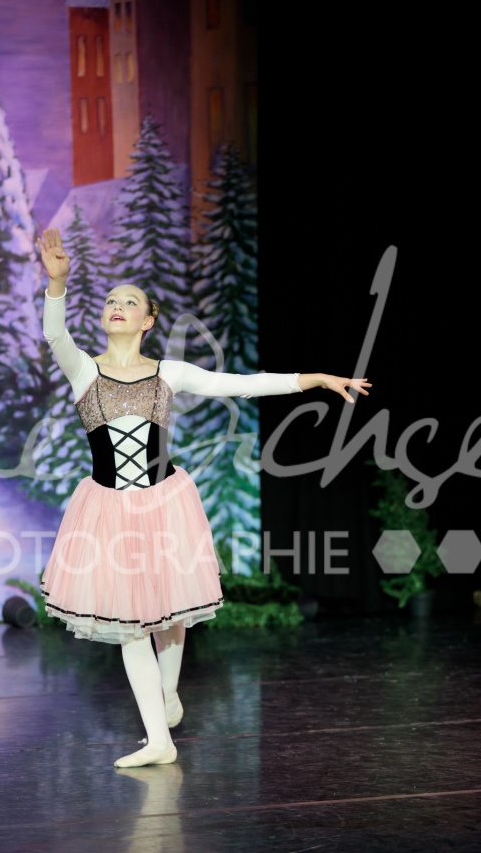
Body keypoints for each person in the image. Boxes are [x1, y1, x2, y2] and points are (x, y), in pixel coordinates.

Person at [36, 227, 372, 769]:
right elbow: (55, 334)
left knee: (168, 606)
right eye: (110, 300)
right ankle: (159, 740)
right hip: (108, 508)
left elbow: (241, 383)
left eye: (130, 301)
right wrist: (58, 283)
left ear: (148, 320)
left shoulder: (169, 373)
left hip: (164, 501)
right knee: (130, 625)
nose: (117, 305)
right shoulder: (84, 370)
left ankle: (168, 695)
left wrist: (312, 380)